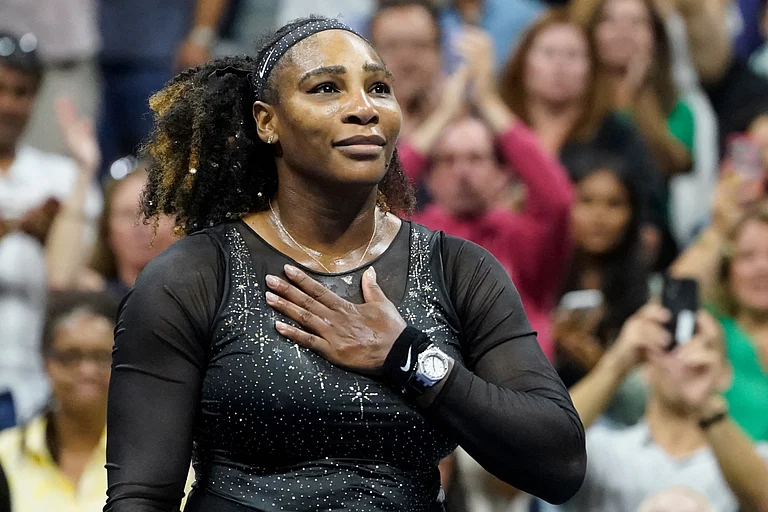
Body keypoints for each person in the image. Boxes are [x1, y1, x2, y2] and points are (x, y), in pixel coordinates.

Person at [103, 16, 586, 511]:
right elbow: (140, 497)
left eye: (379, 87)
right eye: (328, 88)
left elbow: (560, 462)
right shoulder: (193, 277)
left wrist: (407, 356)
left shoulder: (460, 270)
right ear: (267, 121)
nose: (364, 109)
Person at [398, 28, 574, 360]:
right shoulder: (410, 236)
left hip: (519, 387)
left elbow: (558, 199)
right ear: (429, 177)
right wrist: (441, 117)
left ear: (503, 174)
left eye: (476, 158)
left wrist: (489, 102)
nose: (462, 171)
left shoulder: (523, 239)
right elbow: (375, 199)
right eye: (448, 160)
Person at [544, 303, 768, 512]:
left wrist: (705, 405)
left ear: (725, 374)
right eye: (670, 346)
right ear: (645, 367)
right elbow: (538, 450)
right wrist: (616, 365)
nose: (684, 357)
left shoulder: (756, 458)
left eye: (705, 346)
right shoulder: (601, 450)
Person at [499, 10, 667, 261]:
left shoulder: (617, 134)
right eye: (548, 53)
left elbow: (650, 222)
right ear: (523, 62)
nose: (560, 65)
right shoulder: (494, 133)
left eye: (573, 56)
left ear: (591, 68)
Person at [0, 291, 118, 512]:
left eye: (102, 356)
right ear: (46, 362)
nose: (87, 370)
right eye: (70, 356)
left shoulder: (157, 458)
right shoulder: (5, 454)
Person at [554, 153, 649, 425]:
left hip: (617, 429)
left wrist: (601, 363)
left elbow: (643, 405)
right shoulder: (539, 281)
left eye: (614, 204)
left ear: (632, 213)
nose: (599, 216)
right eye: (586, 201)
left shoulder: (647, 292)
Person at [672, 191, 768, 442]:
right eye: (747, 256)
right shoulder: (709, 331)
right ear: (727, 269)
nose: (763, 268)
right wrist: (718, 228)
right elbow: (676, 291)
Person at [368, 1, 444, 140]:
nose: (406, 60)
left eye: (419, 45)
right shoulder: (352, 126)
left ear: (439, 54)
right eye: (391, 47)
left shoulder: (465, 124)